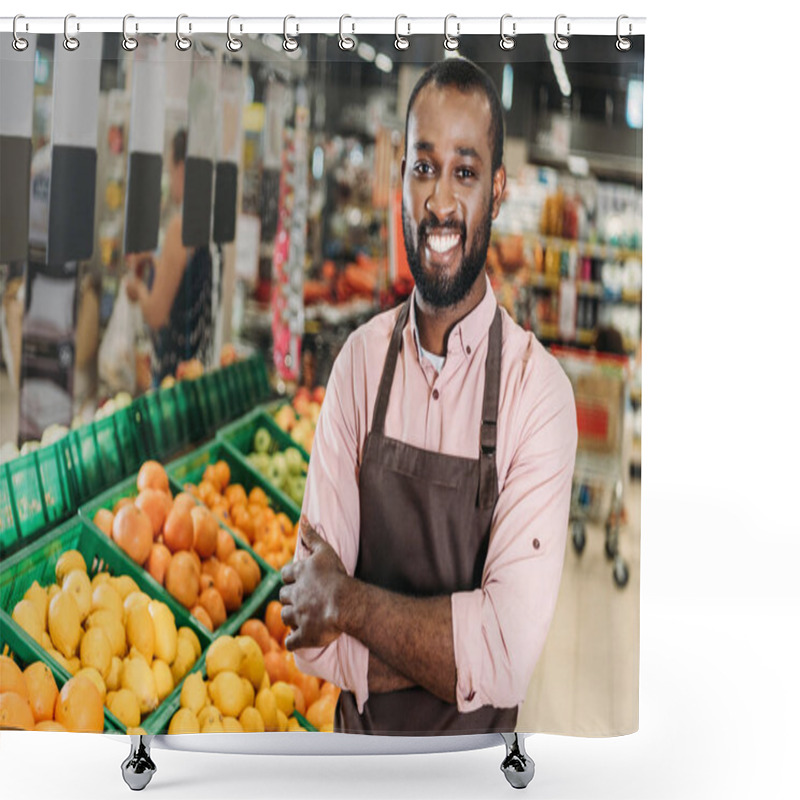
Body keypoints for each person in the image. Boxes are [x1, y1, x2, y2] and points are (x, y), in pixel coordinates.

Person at [279, 59, 578, 736]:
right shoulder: (357, 365)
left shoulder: (539, 396)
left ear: (496, 190)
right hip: (353, 766)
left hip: (473, 773)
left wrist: (349, 605)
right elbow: (311, 640)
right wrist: (453, 654)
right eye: (424, 167)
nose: (441, 202)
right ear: (403, 178)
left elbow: (505, 659)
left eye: (465, 172)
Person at [125, 129, 214, 385]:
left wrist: (138, 289)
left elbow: (156, 314)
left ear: (183, 168)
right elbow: (186, 281)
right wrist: (154, 260)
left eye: (171, 167)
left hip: (173, 375)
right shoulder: (205, 223)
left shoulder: (180, 227)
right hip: (196, 370)